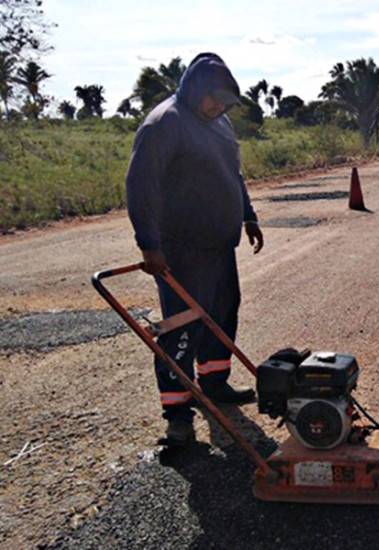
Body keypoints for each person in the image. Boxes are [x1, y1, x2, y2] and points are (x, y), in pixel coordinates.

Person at [125, 53, 265, 446]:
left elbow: (232, 173)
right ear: (195, 89)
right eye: (214, 99)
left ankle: (214, 383)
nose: (219, 107)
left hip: (220, 245)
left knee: (222, 314)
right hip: (182, 251)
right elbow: (142, 184)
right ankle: (178, 416)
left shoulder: (218, 123)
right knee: (182, 327)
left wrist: (248, 215)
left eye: (225, 102)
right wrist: (149, 243)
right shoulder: (164, 123)